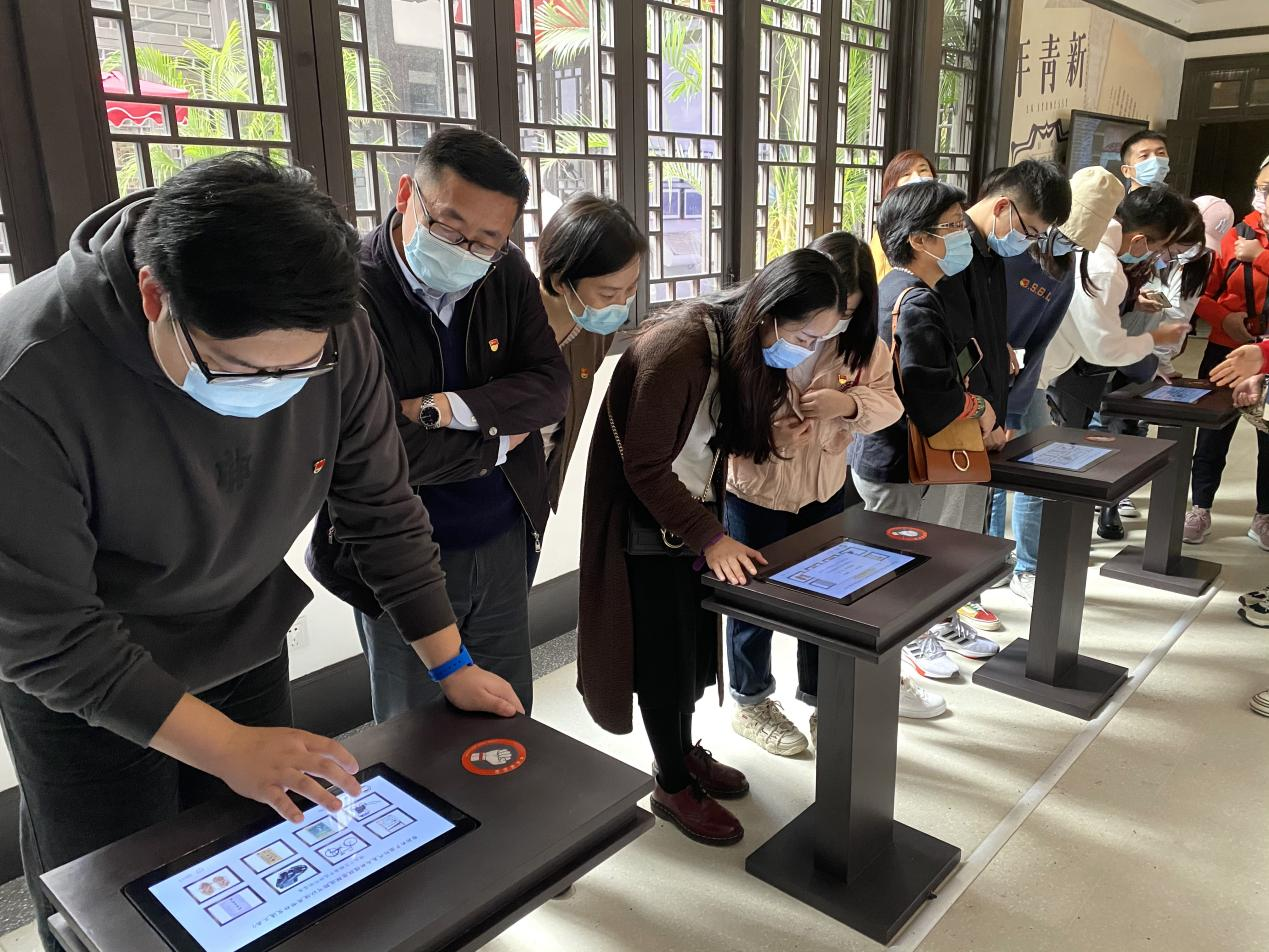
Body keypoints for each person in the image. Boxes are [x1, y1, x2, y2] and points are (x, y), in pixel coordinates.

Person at [0, 154, 521, 951]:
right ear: (154, 298)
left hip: (241, 636)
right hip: (89, 679)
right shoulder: (29, 374)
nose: (275, 387)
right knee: (114, 903)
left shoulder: (333, 326)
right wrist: (225, 748)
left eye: (299, 367)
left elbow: (381, 508)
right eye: (241, 368)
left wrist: (450, 663)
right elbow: (48, 633)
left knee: (258, 861)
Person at [578, 250, 847, 846]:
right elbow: (644, 467)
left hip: (689, 513)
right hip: (647, 522)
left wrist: (775, 433)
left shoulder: (739, 344)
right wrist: (712, 537)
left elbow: (714, 437)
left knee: (690, 650)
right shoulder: (680, 348)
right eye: (805, 336)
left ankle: (683, 754)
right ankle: (671, 783)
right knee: (661, 660)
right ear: (769, 313)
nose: (807, 349)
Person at [308, 128, 570, 723]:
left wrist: (441, 408)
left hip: (502, 537)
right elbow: (373, 454)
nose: (465, 249)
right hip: (399, 555)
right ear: (406, 194)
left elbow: (550, 388)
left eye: (487, 239)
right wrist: (497, 444)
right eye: (449, 226)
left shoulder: (503, 272)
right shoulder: (347, 293)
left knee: (507, 716)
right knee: (415, 734)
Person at [726, 232, 913, 758]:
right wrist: (767, 435)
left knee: (827, 600)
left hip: (825, 490)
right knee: (752, 600)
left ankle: (820, 698)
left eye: (847, 312)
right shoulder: (757, 335)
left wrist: (846, 406)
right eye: (824, 313)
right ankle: (752, 701)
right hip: (755, 492)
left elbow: (890, 405)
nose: (832, 325)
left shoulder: (863, 347)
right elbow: (719, 419)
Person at [848, 179, 999, 682]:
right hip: (896, 457)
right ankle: (906, 641)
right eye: (953, 226)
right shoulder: (913, 301)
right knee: (897, 556)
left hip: (884, 452)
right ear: (919, 239)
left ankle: (931, 624)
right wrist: (980, 407)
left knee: (915, 549)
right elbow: (929, 397)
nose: (964, 235)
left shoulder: (890, 289)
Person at [936, 160, 1071, 632]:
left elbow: (985, 338)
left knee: (963, 525)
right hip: (952, 416)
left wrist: (997, 406)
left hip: (980, 414)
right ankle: (930, 627)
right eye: (1030, 231)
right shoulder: (950, 249)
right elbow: (940, 345)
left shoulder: (990, 251)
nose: (1030, 243)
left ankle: (953, 609)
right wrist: (980, 409)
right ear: (1003, 207)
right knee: (939, 529)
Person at [989, 166, 1123, 606]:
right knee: (987, 475)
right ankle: (991, 559)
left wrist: (1012, 410)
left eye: (1076, 242)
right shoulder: (1005, 248)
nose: (1066, 244)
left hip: (1025, 381)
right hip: (979, 377)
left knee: (1037, 468)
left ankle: (1026, 566)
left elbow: (1038, 347)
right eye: (1062, 234)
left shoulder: (1064, 271)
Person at [534, 193, 648, 582]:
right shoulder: (513, 320)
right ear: (559, 281)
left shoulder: (594, 329)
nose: (621, 305)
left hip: (537, 490)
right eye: (608, 293)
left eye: (630, 289)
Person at [1040, 184, 1192, 417]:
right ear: (1140, 240)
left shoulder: (1082, 242)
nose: (1157, 256)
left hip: (1041, 367)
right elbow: (1104, 350)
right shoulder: (1106, 269)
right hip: (1045, 373)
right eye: (1159, 249)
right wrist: (1155, 339)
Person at [1185, 155, 1269, 548]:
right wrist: (1224, 319)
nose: (1263, 196)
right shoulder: (1236, 234)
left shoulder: (1253, 247)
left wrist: (1261, 258)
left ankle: (1264, 515)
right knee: (1212, 433)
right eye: (1261, 187)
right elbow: (1200, 294)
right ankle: (1200, 508)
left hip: (1267, 358)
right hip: (1226, 348)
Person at [870, 149, 939, 280]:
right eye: (906, 174)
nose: (917, 177)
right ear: (893, 186)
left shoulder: (944, 217)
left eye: (923, 170)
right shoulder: (887, 231)